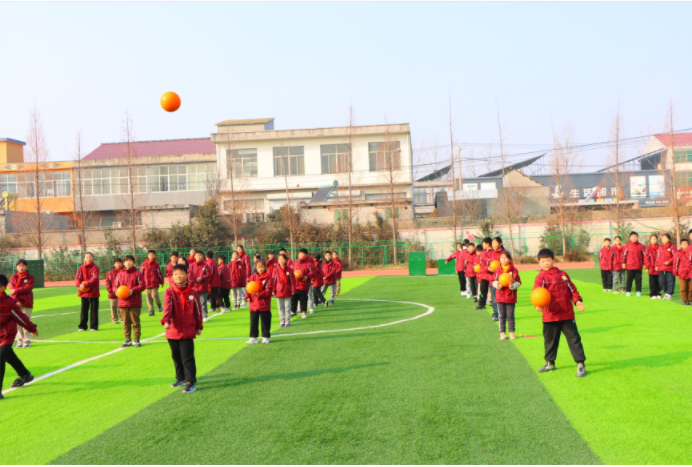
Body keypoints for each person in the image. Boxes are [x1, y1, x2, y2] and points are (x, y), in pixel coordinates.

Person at [534, 248, 587, 378]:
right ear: (539, 262)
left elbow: (572, 290)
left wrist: (577, 301)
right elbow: (538, 293)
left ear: (553, 260)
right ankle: (550, 363)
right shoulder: (540, 277)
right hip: (550, 315)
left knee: (574, 339)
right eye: (543, 261)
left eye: (548, 260)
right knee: (550, 341)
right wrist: (538, 305)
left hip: (566, 314)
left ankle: (580, 364)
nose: (546, 263)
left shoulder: (563, 275)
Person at [161, 264, 203, 394]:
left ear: (186, 275)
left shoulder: (192, 292)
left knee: (187, 356)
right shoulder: (169, 291)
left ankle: (190, 382)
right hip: (173, 329)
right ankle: (180, 378)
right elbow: (167, 307)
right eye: (175, 274)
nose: (177, 276)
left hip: (187, 329)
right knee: (176, 356)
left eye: (180, 273)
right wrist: (166, 321)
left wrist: (198, 326)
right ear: (172, 277)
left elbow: (198, 310)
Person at [0, 274, 38, 399]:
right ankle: (24, 374)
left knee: (1, 358)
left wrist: (31, 328)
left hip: (7, 335)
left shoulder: (9, 303)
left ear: (2, 288)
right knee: (8, 356)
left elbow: (20, 316)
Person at [115, 255, 146, 348]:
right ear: (124, 263)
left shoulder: (138, 274)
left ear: (134, 263)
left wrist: (133, 290)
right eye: (126, 261)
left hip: (134, 302)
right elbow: (115, 286)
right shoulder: (120, 274)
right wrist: (115, 291)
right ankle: (128, 340)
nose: (128, 262)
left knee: (135, 322)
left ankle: (136, 339)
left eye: (130, 261)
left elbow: (142, 285)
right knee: (125, 323)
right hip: (122, 303)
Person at [492, 251, 521, 340]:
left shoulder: (514, 270)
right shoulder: (497, 270)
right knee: (501, 316)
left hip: (510, 297)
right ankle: (502, 333)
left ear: (509, 259)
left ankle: (511, 332)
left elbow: (519, 282)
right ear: (499, 260)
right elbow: (493, 281)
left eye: (505, 258)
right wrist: (498, 285)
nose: (503, 260)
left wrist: (513, 286)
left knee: (510, 315)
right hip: (500, 296)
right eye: (501, 258)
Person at [245, 260, 274, 344]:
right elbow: (248, 288)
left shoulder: (269, 278)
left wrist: (259, 294)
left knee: (265, 321)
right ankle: (253, 338)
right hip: (253, 304)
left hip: (264, 304)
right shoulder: (252, 277)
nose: (260, 269)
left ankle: (265, 337)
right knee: (253, 321)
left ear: (265, 267)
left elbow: (268, 291)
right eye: (258, 267)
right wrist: (247, 297)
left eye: (261, 267)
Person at [8, 260, 35, 348]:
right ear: (16, 267)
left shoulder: (30, 277)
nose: (21, 267)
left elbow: (28, 288)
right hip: (15, 303)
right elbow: (11, 290)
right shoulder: (13, 277)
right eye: (19, 266)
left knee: (26, 321)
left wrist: (16, 290)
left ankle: (27, 341)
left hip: (26, 302)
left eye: (23, 266)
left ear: (26, 267)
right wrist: (16, 301)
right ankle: (19, 341)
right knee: (17, 322)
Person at [75, 251, 100, 332]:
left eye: (90, 257)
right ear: (84, 259)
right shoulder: (81, 268)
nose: (89, 258)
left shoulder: (95, 267)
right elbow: (77, 278)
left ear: (93, 258)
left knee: (94, 309)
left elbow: (95, 278)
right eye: (87, 257)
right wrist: (79, 284)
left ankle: (93, 326)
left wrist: (85, 285)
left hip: (93, 291)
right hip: (83, 291)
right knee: (84, 309)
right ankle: (82, 326)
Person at [273, 254, 296, 327]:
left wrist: (293, 289)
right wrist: (273, 290)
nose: (281, 260)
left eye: (283, 259)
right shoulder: (275, 270)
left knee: (287, 306)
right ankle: (282, 320)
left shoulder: (289, 269)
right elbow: (273, 281)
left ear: (286, 260)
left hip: (287, 291)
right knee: (280, 307)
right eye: (279, 259)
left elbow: (293, 281)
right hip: (278, 291)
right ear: (278, 261)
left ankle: (287, 320)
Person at [291, 248, 314, 318]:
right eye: (299, 254)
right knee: (293, 299)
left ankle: (303, 312)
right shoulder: (294, 263)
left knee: (303, 300)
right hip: (295, 284)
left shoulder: (309, 264)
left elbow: (313, 273)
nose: (300, 255)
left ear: (306, 255)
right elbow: (290, 272)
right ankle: (293, 311)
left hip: (304, 285)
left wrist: (307, 277)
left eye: (302, 254)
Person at [189, 250, 212, 321]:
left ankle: (204, 316)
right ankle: (194, 316)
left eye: (200, 256)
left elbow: (209, 274)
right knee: (193, 303)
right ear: (194, 257)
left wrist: (202, 278)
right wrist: (194, 279)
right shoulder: (191, 265)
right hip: (193, 288)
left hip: (203, 287)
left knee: (203, 303)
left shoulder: (205, 265)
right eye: (197, 256)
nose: (199, 257)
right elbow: (189, 275)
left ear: (203, 257)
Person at [140, 250, 164, 316]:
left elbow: (159, 274)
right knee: (148, 298)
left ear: (155, 256)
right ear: (148, 255)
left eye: (153, 255)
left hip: (154, 284)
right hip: (146, 284)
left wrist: (161, 281)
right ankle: (151, 311)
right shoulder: (144, 264)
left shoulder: (156, 264)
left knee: (154, 295)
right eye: (150, 254)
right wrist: (140, 282)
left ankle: (159, 305)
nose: (151, 256)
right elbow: (141, 274)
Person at [622, 231, 645, 297]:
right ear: (630, 238)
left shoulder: (641, 246)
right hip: (630, 266)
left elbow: (644, 256)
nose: (634, 238)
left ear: (637, 237)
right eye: (632, 237)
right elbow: (624, 255)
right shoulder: (627, 246)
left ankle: (638, 291)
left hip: (638, 265)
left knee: (638, 280)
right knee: (629, 279)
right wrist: (623, 262)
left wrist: (644, 264)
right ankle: (628, 291)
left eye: (635, 236)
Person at [474, 238, 493, 311]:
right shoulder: (483, 252)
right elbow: (481, 263)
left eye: (483, 243)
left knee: (493, 291)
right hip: (484, 274)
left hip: (492, 274)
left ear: (487, 244)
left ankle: (493, 304)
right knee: (482, 290)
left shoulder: (493, 252)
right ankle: (481, 304)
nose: (483, 245)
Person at [656, 233, 677, 300]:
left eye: (666, 238)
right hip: (661, 268)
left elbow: (676, 257)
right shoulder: (660, 247)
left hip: (670, 268)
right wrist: (656, 265)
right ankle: (666, 292)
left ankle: (669, 294)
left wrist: (669, 261)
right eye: (663, 238)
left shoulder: (672, 247)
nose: (664, 240)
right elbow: (658, 257)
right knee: (661, 281)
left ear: (669, 239)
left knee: (670, 281)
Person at [105, 258, 124, 325]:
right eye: (117, 263)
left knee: (121, 306)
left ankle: (122, 318)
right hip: (113, 292)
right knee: (113, 306)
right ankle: (114, 319)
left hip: (122, 292)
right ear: (114, 264)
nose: (118, 264)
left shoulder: (124, 271)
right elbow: (107, 281)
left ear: (122, 263)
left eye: (120, 263)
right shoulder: (110, 272)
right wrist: (110, 289)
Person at [674, 239, 692, 305]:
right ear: (681, 245)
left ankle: (690, 300)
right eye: (683, 244)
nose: (685, 245)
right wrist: (675, 273)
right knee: (683, 288)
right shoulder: (678, 253)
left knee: (690, 288)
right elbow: (675, 263)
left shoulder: (690, 252)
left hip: (690, 273)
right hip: (682, 273)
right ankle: (684, 300)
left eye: (686, 243)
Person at [644, 235, 662, 299]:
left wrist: (659, 265)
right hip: (651, 268)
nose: (654, 240)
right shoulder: (648, 248)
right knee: (652, 282)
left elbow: (661, 257)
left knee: (659, 281)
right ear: (650, 240)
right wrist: (649, 265)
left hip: (659, 268)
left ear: (657, 240)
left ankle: (658, 293)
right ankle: (653, 293)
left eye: (655, 239)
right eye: (652, 239)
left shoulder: (660, 248)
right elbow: (646, 258)